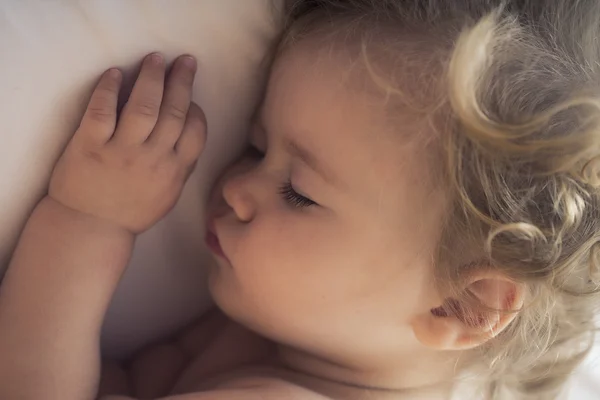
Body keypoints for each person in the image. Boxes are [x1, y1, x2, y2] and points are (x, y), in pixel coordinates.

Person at [1, 1, 599, 399]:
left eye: (298, 193)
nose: (234, 188)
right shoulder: (285, 340)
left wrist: (87, 220)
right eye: (257, 146)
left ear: (461, 306)